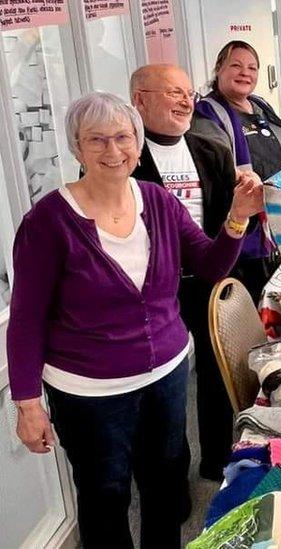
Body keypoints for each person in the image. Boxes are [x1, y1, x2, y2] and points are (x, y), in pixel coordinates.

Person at [8, 91, 262, 549]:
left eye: (123, 138)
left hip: (165, 377)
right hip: (89, 394)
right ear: (77, 148)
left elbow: (208, 266)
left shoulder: (159, 202)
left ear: (139, 144)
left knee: (165, 488)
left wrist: (236, 220)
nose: (112, 151)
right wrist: (27, 405)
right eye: (97, 140)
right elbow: (26, 319)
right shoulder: (48, 221)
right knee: (105, 496)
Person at [129, 63, 248, 481]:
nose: (186, 101)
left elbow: (228, 219)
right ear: (139, 100)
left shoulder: (210, 148)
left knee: (215, 377)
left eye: (187, 93)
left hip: (206, 278)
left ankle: (216, 459)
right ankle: (171, 482)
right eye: (172, 93)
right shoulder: (125, 157)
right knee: (167, 390)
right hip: (153, 292)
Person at [194, 40, 281, 299]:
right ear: (219, 68)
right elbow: (216, 169)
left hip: (277, 228)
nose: (245, 73)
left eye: (252, 68)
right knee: (252, 308)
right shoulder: (206, 113)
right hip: (242, 237)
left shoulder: (260, 105)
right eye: (236, 65)